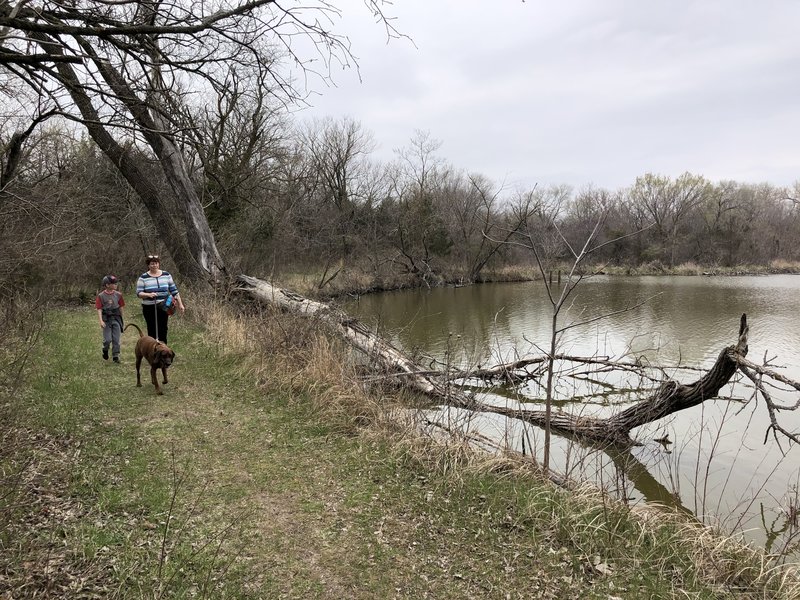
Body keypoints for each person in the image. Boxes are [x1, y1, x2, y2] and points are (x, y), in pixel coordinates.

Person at [136, 254, 185, 345]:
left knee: (163, 327)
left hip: (164, 306)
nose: (154, 265)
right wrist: (148, 294)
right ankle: (153, 349)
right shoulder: (143, 277)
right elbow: (139, 293)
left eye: (156, 263)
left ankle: (163, 348)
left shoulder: (166, 275)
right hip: (149, 307)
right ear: (148, 265)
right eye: (152, 264)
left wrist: (180, 304)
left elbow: (174, 291)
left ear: (159, 264)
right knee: (152, 328)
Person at [96, 274, 125, 363]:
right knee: (107, 340)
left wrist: (121, 319)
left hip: (116, 318)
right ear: (107, 285)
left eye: (116, 283)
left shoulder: (118, 295)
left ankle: (115, 356)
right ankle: (105, 349)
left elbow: (121, 307)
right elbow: (99, 309)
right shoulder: (101, 296)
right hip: (106, 319)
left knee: (116, 339)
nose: (116, 285)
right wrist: (101, 321)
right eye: (114, 283)